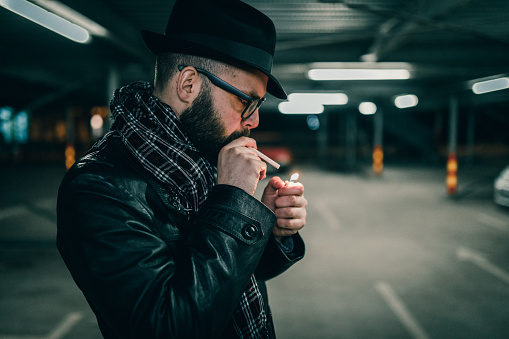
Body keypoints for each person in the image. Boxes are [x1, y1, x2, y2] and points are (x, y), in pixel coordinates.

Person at [56, 0, 307, 338]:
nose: (254, 120)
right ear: (188, 84)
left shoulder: (201, 151)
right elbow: (167, 327)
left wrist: (266, 226)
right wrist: (232, 200)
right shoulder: (97, 189)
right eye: (246, 101)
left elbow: (232, 282)